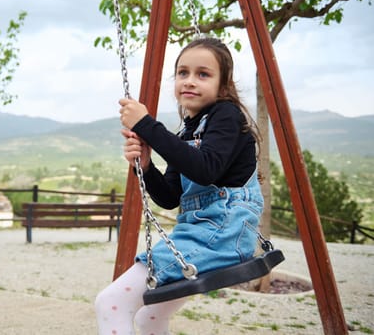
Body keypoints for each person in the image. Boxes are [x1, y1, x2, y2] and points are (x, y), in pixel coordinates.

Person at [95, 37, 264, 334]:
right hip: (200, 233)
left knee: (111, 302)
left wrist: (147, 124)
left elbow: (205, 169)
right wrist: (146, 167)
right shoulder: (186, 132)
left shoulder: (227, 114)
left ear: (223, 86)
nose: (190, 81)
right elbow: (170, 197)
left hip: (223, 233)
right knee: (149, 315)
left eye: (203, 74)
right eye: (183, 73)